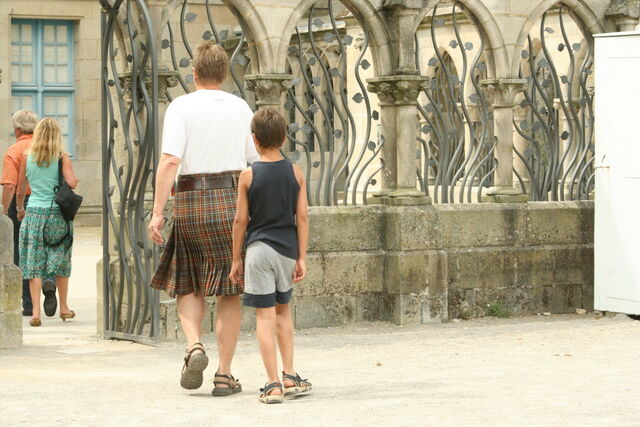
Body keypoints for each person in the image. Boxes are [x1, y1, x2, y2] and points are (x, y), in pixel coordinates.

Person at [147, 41, 259, 395]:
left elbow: (170, 161)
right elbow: (255, 159)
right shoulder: (240, 107)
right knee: (229, 288)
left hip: (192, 199)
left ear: (194, 74)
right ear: (224, 75)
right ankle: (224, 375)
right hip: (232, 200)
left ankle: (194, 345)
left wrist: (157, 213)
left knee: (189, 281)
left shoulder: (181, 106)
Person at [229, 108, 312, 404]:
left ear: (254, 139)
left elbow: (240, 221)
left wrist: (236, 259)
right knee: (283, 312)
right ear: (284, 137)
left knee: (264, 317)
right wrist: (301, 257)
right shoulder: (296, 172)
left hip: (258, 250)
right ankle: (290, 375)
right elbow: (302, 217)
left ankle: (273, 384)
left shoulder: (248, 175)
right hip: (287, 251)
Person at [16, 117, 77, 327]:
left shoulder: (27, 157)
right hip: (56, 214)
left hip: (33, 213)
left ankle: (35, 313)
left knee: (33, 262)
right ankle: (64, 308)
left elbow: (20, 189)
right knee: (61, 260)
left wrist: (20, 209)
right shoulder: (62, 157)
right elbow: (72, 182)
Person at [1, 110, 57, 317]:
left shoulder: (15, 150)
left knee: (22, 251)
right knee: (48, 246)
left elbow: (10, 185)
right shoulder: (50, 148)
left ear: (17, 129)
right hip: (49, 202)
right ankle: (49, 280)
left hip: (23, 202)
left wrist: (5, 210)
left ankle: (28, 303)